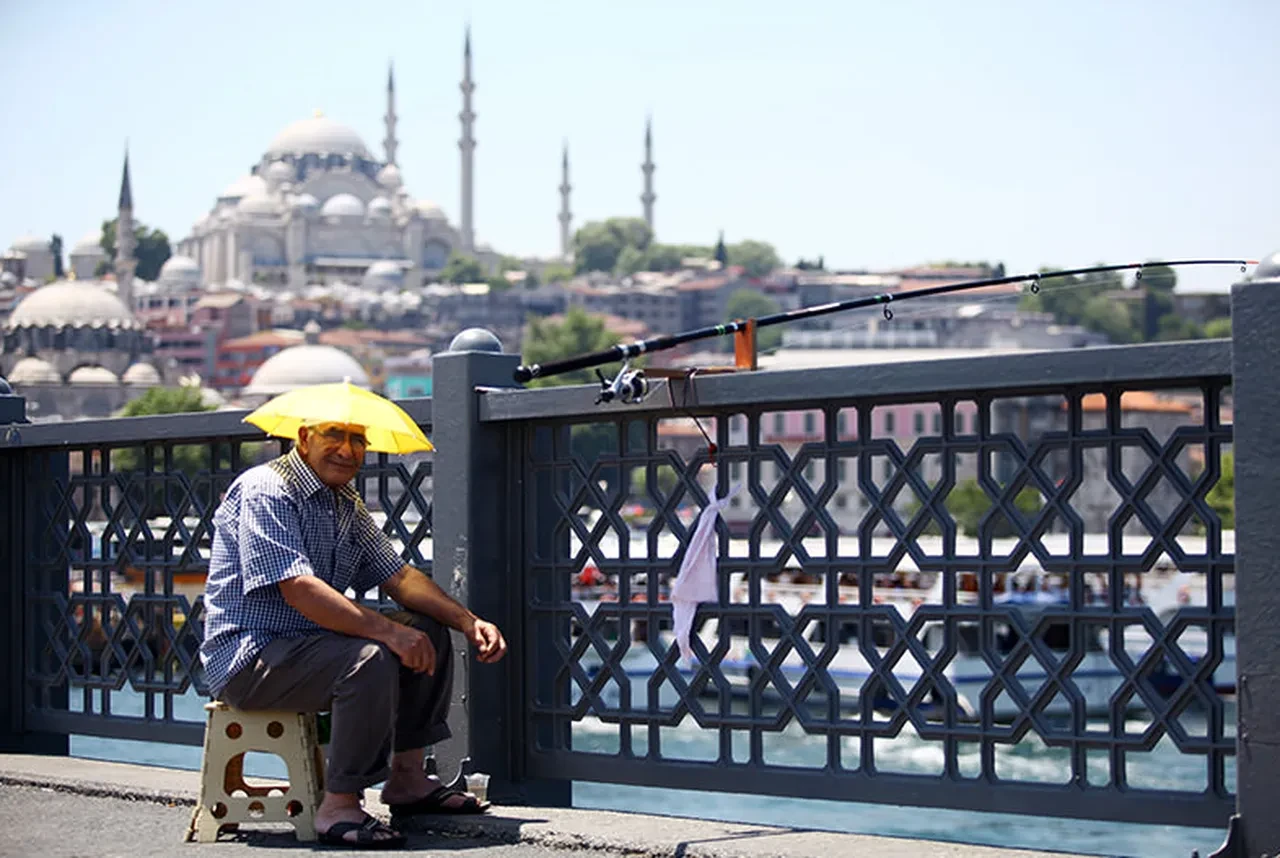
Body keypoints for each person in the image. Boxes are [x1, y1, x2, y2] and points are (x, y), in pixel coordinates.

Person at [199, 419, 507, 849]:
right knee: (371, 657)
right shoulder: (265, 489)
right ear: (304, 439)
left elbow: (398, 577)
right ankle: (338, 805)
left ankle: (407, 780)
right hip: (251, 657)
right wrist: (387, 634)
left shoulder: (344, 501)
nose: (348, 450)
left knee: (424, 631)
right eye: (334, 437)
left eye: (358, 440)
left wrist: (468, 622)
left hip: (311, 645)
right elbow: (299, 590)